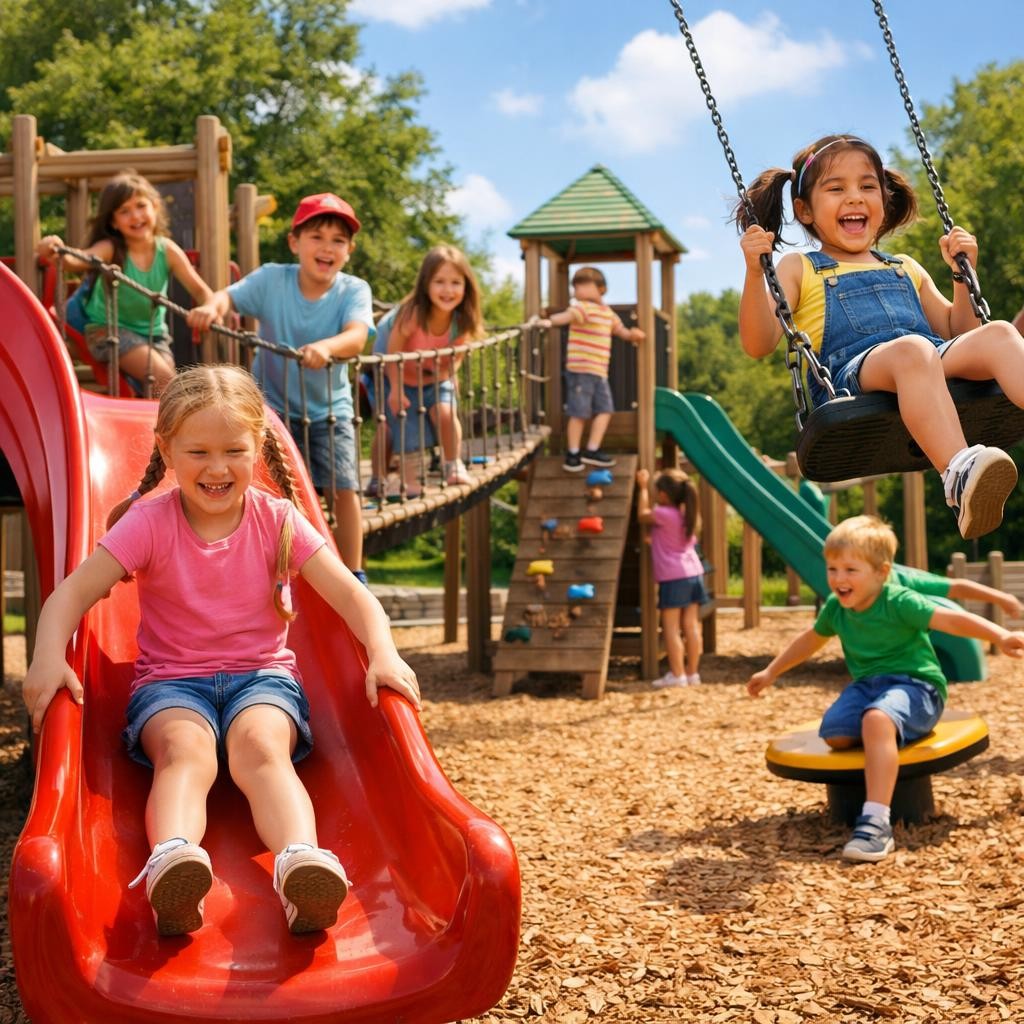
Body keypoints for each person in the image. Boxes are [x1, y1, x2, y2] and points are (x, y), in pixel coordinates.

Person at [21, 365, 420, 936]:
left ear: (258, 445)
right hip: (171, 685)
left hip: (261, 680)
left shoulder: (279, 520)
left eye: (233, 450)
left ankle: (300, 864)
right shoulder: (148, 522)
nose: (216, 468)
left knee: (262, 749)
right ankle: (173, 861)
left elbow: (356, 600)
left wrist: (382, 652)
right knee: (186, 751)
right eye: (198, 451)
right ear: (167, 448)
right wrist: (47, 656)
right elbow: (69, 597)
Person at [737, 134, 1024, 541]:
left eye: (867, 186)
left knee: (999, 334)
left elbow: (962, 334)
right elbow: (757, 343)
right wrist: (754, 271)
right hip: (853, 378)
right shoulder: (800, 267)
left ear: (884, 200)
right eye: (836, 188)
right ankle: (959, 474)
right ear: (803, 210)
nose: (854, 198)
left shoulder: (905, 266)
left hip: (927, 359)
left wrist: (963, 275)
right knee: (913, 349)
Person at [747, 515, 1024, 863]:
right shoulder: (836, 609)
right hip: (868, 686)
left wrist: (1000, 635)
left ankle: (876, 823)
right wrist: (772, 671)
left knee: (877, 720)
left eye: (850, 569)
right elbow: (810, 640)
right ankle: (887, 733)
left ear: (881, 572)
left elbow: (951, 618)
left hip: (918, 686)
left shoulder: (899, 600)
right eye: (832, 568)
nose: (838, 579)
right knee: (834, 734)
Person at [192, 193, 374, 581]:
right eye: (317, 236)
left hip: (329, 411)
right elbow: (228, 296)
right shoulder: (273, 279)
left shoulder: (353, 290)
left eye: (338, 240)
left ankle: (354, 572)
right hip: (273, 410)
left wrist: (327, 347)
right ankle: (274, 565)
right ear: (295, 242)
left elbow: (358, 335)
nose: (327, 247)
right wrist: (212, 307)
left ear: (349, 250)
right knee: (272, 487)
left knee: (344, 488)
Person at [36, 170, 215, 394]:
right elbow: (76, 260)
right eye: (124, 211)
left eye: (141, 206)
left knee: (162, 392)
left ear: (155, 206)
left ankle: (157, 428)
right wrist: (55, 251)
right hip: (108, 331)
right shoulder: (111, 249)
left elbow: (201, 291)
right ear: (113, 222)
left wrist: (208, 308)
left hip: (154, 335)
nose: (135, 216)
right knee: (166, 381)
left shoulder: (167, 250)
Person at [383, 245, 484, 493]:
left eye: (455, 282)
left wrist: (446, 375)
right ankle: (409, 480)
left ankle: (453, 465)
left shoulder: (462, 319)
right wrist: (396, 390)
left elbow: (456, 357)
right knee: (408, 424)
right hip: (401, 377)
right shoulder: (412, 314)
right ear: (426, 284)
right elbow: (392, 354)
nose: (448, 290)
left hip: (435, 378)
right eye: (439, 282)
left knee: (446, 413)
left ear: (466, 286)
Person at [535, 266, 645, 473]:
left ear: (601, 288)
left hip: (599, 372)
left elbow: (620, 331)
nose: (579, 291)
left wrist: (633, 335)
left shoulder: (607, 313)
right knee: (579, 413)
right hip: (581, 371)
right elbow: (565, 317)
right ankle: (573, 453)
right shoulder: (581, 308)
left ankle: (592, 449)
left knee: (605, 411)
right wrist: (549, 322)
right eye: (576, 287)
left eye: (584, 286)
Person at [636, 467, 708, 688]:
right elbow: (674, 542)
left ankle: (677, 675)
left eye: (656, 491)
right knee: (691, 625)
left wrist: (642, 488)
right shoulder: (685, 514)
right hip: (693, 573)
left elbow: (642, 515)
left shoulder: (663, 513)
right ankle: (692, 673)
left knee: (671, 627)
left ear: (664, 495)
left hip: (673, 577)